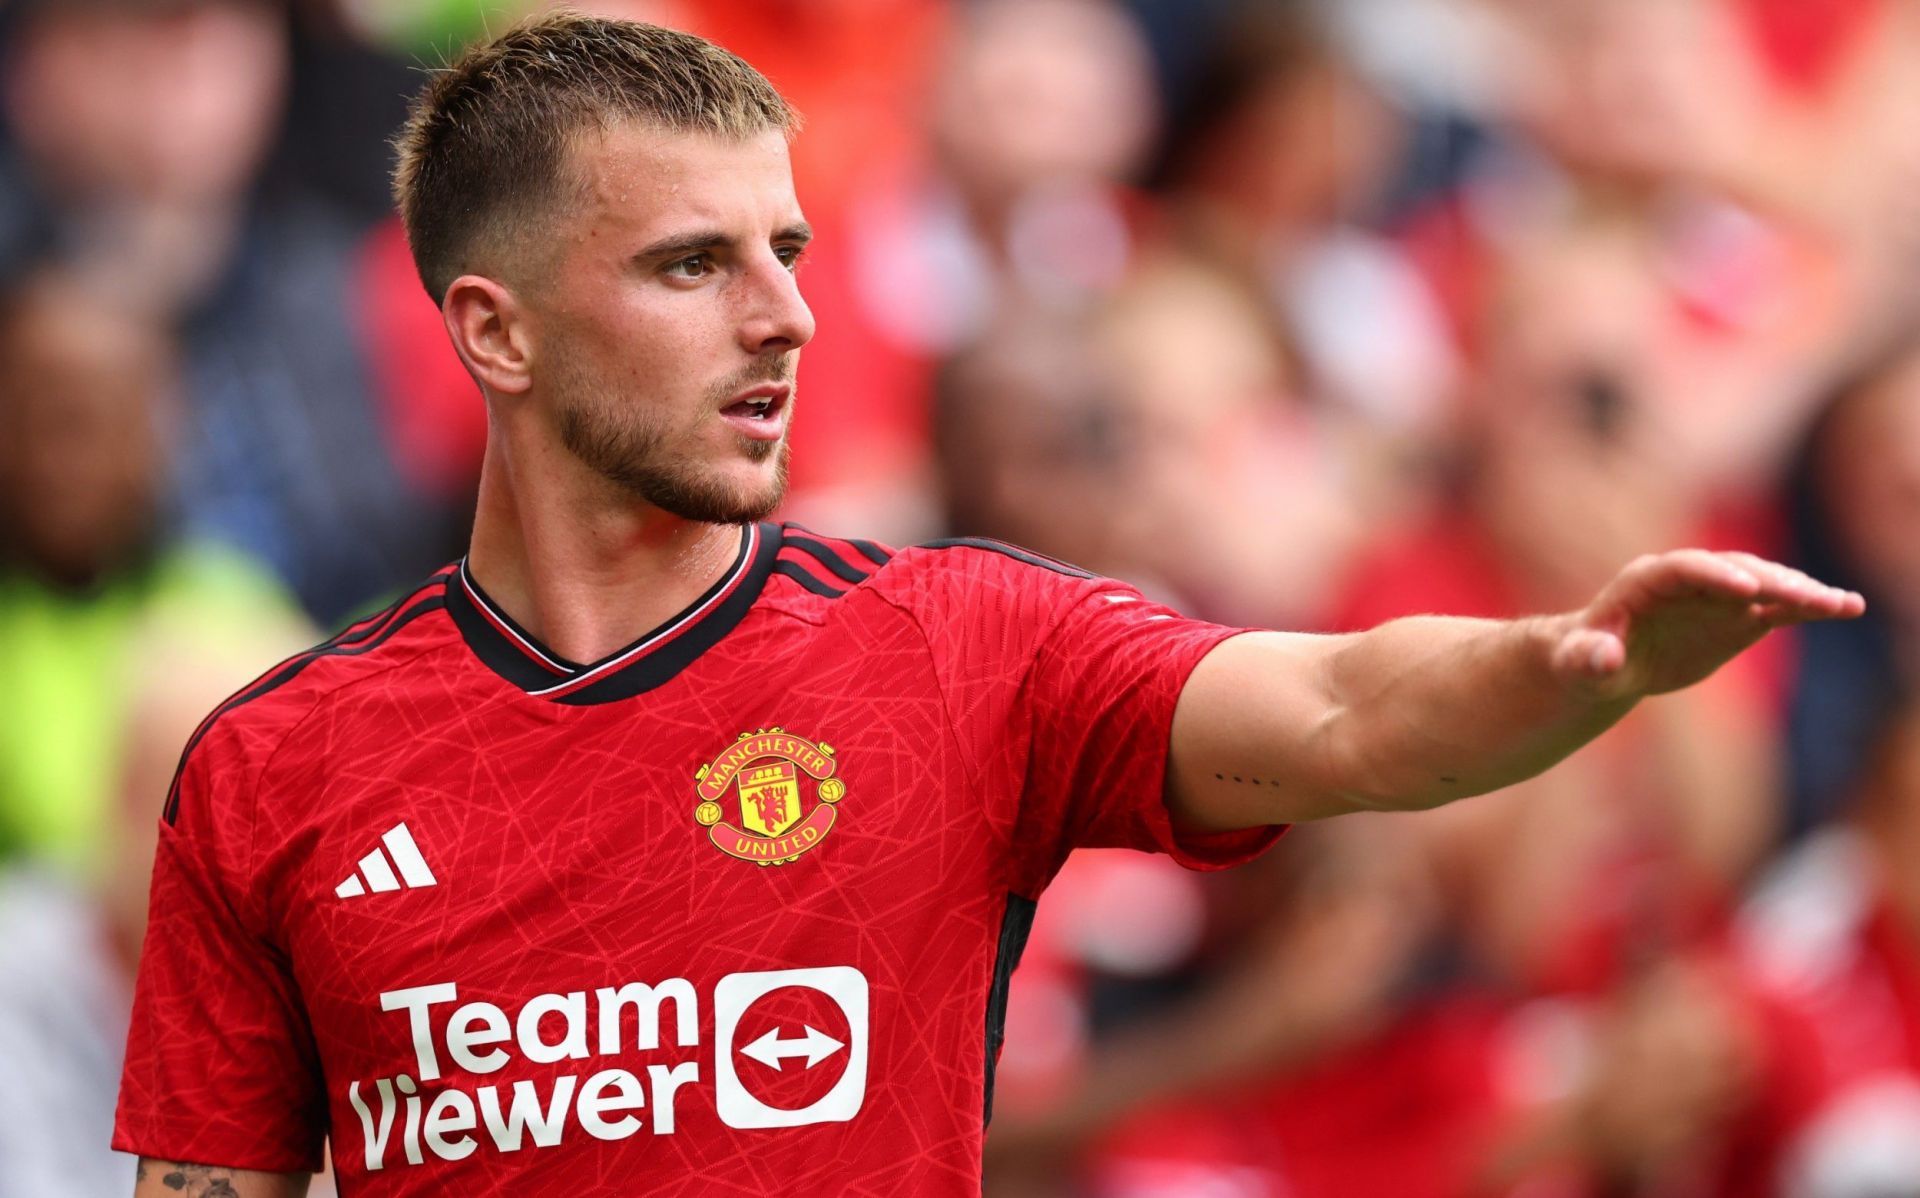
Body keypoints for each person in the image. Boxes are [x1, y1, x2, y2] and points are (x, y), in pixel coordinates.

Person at [111, 14, 1866, 1197]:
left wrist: (1576, 661)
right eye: (689, 266)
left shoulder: (962, 643)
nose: (783, 319)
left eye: (787, 256)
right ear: (492, 329)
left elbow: (1345, 711)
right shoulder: (278, 772)